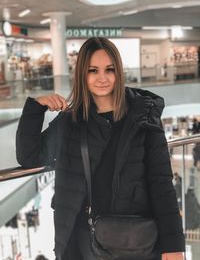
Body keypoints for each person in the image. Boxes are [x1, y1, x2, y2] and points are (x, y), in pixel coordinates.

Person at [16, 37, 185, 260]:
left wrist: (173, 247)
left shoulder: (143, 116)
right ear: (82, 75)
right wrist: (36, 108)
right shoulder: (71, 121)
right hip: (85, 240)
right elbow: (29, 156)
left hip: (135, 240)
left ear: (119, 72)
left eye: (109, 69)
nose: (102, 78)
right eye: (93, 70)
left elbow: (161, 184)